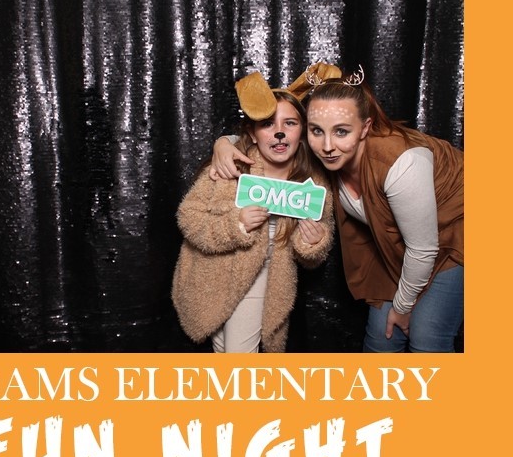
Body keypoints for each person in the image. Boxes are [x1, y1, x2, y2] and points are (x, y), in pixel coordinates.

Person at [211, 68, 463, 354]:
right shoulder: (321, 152)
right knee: (381, 340)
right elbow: (263, 138)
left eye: (341, 131)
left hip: (454, 238)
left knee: (426, 337)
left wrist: (403, 307)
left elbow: (423, 248)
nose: (327, 146)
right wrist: (223, 144)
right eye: (316, 131)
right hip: (397, 249)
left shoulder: (403, 164)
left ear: (365, 128)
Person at [174, 83, 333, 352]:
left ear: (302, 131)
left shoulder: (313, 182)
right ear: (252, 133)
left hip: (262, 276)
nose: (279, 132)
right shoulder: (231, 166)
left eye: (290, 123)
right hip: (212, 277)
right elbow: (188, 216)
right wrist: (236, 225)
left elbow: (313, 254)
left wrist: (315, 241)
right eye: (268, 124)